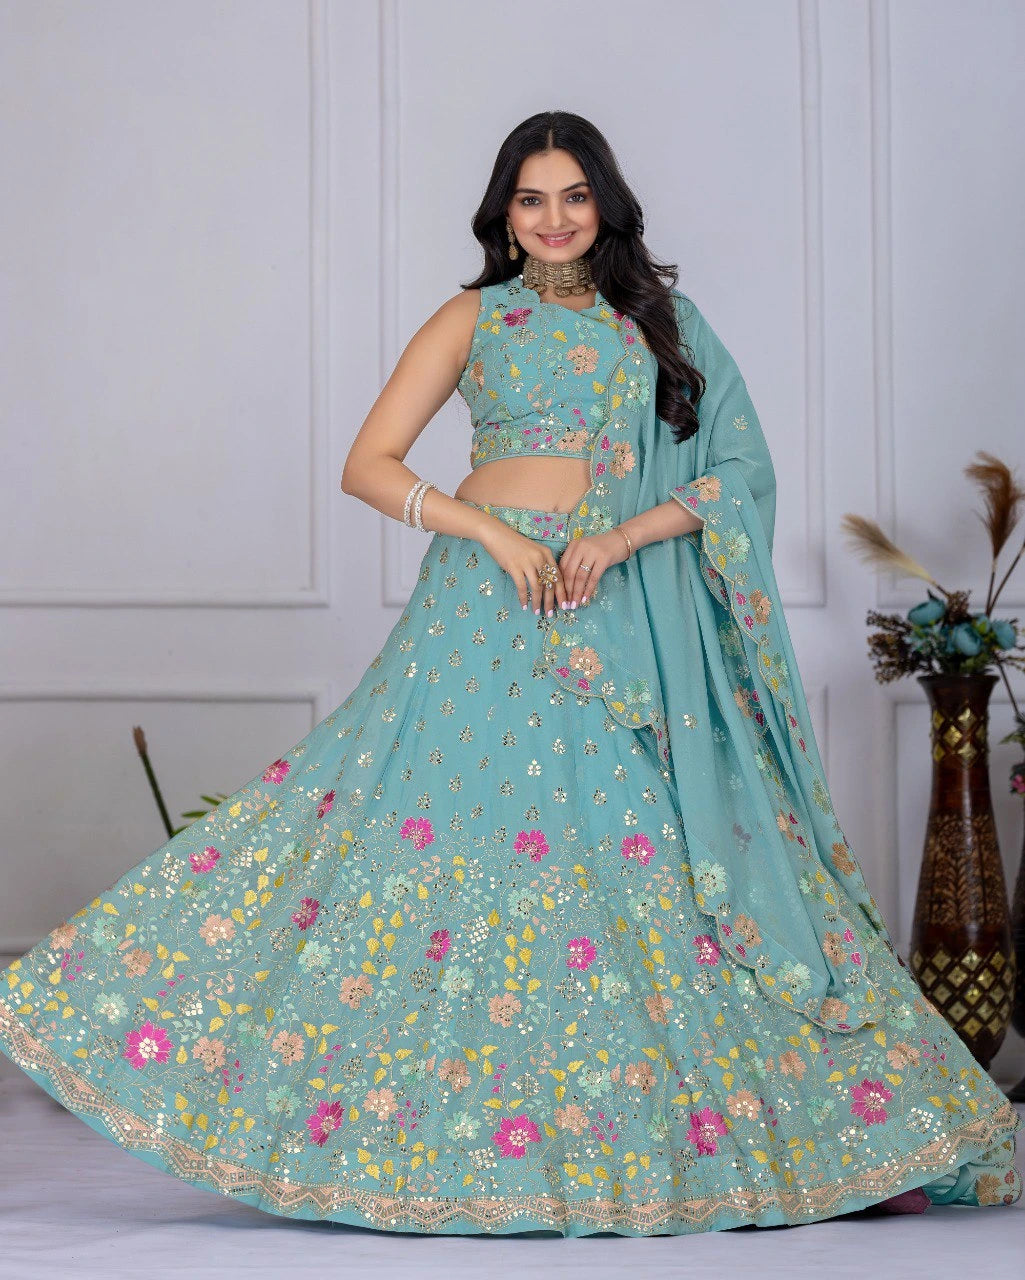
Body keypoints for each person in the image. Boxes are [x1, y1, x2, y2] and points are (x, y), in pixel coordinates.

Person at [0, 110, 1020, 1238]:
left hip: (625, 616)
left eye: (572, 196)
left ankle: (710, 1133)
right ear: (501, 212)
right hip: (485, 615)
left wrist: (615, 539)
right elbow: (366, 463)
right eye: (529, 200)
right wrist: (487, 532)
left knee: (637, 864)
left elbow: (737, 470)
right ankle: (417, 1124)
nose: (551, 219)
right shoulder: (471, 318)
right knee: (425, 839)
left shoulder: (664, 324)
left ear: (605, 203)